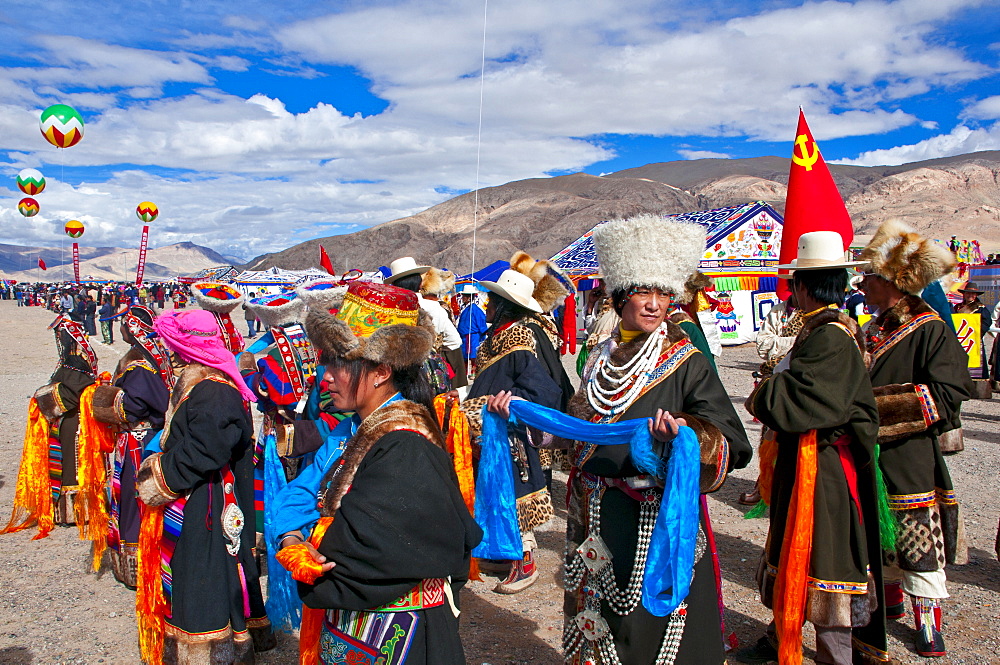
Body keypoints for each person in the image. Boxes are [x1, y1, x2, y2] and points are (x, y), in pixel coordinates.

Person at [557, 215, 751, 664]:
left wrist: (682, 435)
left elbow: (732, 443)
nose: (654, 304)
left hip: (656, 521)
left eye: (663, 293)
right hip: (598, 520)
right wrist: (541, 429)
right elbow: (583, 432)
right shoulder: (598, 360)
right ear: (620, 298)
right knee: (603, 629)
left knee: (653, 630)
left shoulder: (687, 362)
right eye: (644, 292)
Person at [276, 280, 482, 664]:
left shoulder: (407, 446)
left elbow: (359, 549)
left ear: (381, 372)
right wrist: (290, 538)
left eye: (338, 365)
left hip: (398, 633)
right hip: (358, 627)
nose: (325, 377)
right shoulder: (352, 428)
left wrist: (310, 546)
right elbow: (301, 491)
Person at [743, 230, 884, 665]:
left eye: (796, 284)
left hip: (822, 472)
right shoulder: (824, 331)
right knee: (796, 551)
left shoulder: (829, 338)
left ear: (805, 286)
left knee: (825, 561)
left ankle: (833, 657)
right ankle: (780, 635)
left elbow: (806, 402)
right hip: (809, 464)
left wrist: (764, 390)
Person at [859, 219, 973, 657]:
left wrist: (871, 411)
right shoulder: (872, 329)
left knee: (916, 534)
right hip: (873, 455)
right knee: (880, 530)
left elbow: (947, 394)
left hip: (910, 455)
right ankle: (888, 600)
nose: (862, 282)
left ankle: (928, 620)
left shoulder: (931, 330)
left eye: (870, 275)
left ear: (895, 282)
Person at [135, 310, 275, 663]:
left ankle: (213, 647)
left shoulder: (213, 391)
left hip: (208, 498)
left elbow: (205, 450)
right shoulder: (203, 382)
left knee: (205, 568)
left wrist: (158, 477)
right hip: (199, 492)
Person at [465, 267, 566, 593]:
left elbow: (545, 391)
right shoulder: (496, 338)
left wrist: (512, 405)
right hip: (490, 433)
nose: (485, 308)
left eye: (490, 302)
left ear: (503, 305)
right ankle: (503, 555)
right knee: (496, 495)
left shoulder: (519, 339)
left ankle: (525, 564)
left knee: (516, 501)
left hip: (510, 438)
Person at [91, 306, 172, 588]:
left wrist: (110, 401)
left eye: (124, 326)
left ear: (133, 329)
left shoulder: (138, 365)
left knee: (134, 497)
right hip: (142, 438)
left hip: (138, 441)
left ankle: (140, 564)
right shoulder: (151, 358)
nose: (121, 331)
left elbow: (141, 405)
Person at [386, 258, 468, 389]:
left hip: (395, 374)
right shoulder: (434, 307)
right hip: (427, 373)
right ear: (420, 284)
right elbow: (454, 341)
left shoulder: (388, 310)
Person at [456, 283, 488, 376]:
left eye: (464, 296)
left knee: (472, 355)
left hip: (471, 336)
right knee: (465, 356)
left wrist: (483, 333)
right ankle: (465, 372)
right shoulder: (466, 308)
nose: (462, 298)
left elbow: (481, 322)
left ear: (469, 297)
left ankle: (474, 372)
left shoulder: (475, 309)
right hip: (464, 336)